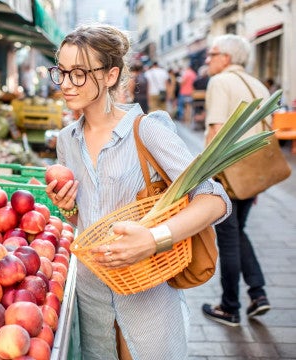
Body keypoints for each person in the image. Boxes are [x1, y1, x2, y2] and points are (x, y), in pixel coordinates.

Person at [45, 23, 231, 359]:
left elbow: (214, 198)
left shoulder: (147, 130)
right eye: (61, 72)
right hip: (92, 298)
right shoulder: (65, 141)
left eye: (79, 73)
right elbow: (80, 224)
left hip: (147, 297)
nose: (67, 84)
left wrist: (154, 238)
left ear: (110, 75)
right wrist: (67, 207)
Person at [201, 34, 272, 327]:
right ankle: (258, 294)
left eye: (212, 53)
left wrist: (203, 177)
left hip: (226, 173)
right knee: (237, 232)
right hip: (251, 173)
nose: (208, 59)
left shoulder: (220, 82)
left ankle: (229, 307)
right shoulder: (258, 84)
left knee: (228, 239)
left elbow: (216, 131)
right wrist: (258, 182)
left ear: (226, 58)